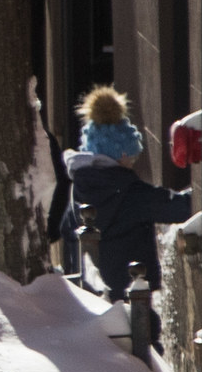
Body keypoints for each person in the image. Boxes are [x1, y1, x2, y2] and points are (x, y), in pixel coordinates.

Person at [64, 85, 193, 295]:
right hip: (130, 299)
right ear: (118, 154)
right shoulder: (128, 192)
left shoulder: (78, 190)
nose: (133, 161)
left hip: (91, 301)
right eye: (130, 155)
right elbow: (178, 207)